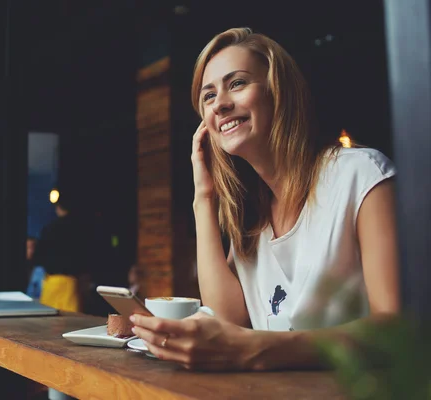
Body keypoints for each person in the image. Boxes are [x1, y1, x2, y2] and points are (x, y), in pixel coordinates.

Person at [131, 27, 400, 371]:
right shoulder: (250, 217)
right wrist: (203, 198)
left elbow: (394, 328)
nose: (221, 104)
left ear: (279, 91)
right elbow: (228, 323)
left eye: (238, 83)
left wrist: (259, 349)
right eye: (208, 96)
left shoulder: (361, 175)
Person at [31, 192, 88, 312]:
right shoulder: (80, 229)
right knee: (72, 323)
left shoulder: (49, 228)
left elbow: (37, 257)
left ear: (58, 207)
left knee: (48, 320)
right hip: (71, 284)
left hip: (51, 282)